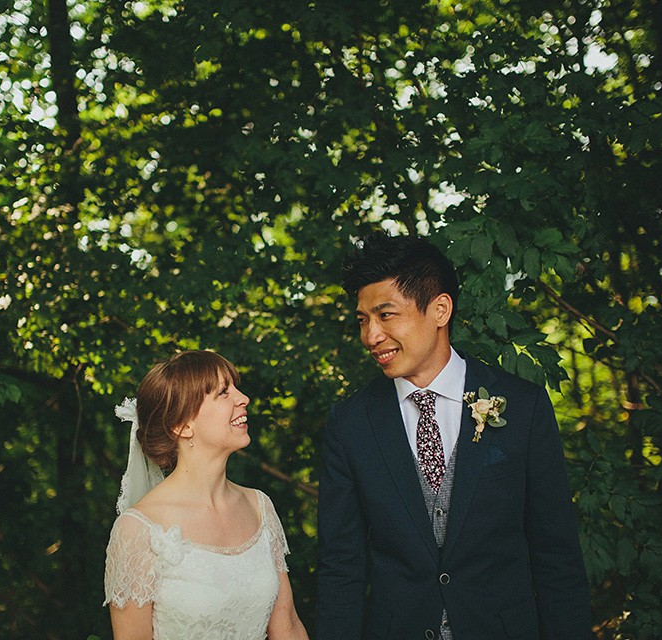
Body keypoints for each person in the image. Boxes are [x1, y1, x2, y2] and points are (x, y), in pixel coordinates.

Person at [315, 232, 591, 640]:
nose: (370, 336)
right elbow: (341, 567)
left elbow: (557, 555)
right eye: (363, 320)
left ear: (440, 309)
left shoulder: (522, 406)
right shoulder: (350, 423)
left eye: (386, 315)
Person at [103, 350, 309, 640]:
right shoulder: (137, 530)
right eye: (224, 392)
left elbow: (287, 626)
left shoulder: (259, 506)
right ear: (182, 425)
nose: (243, 398)